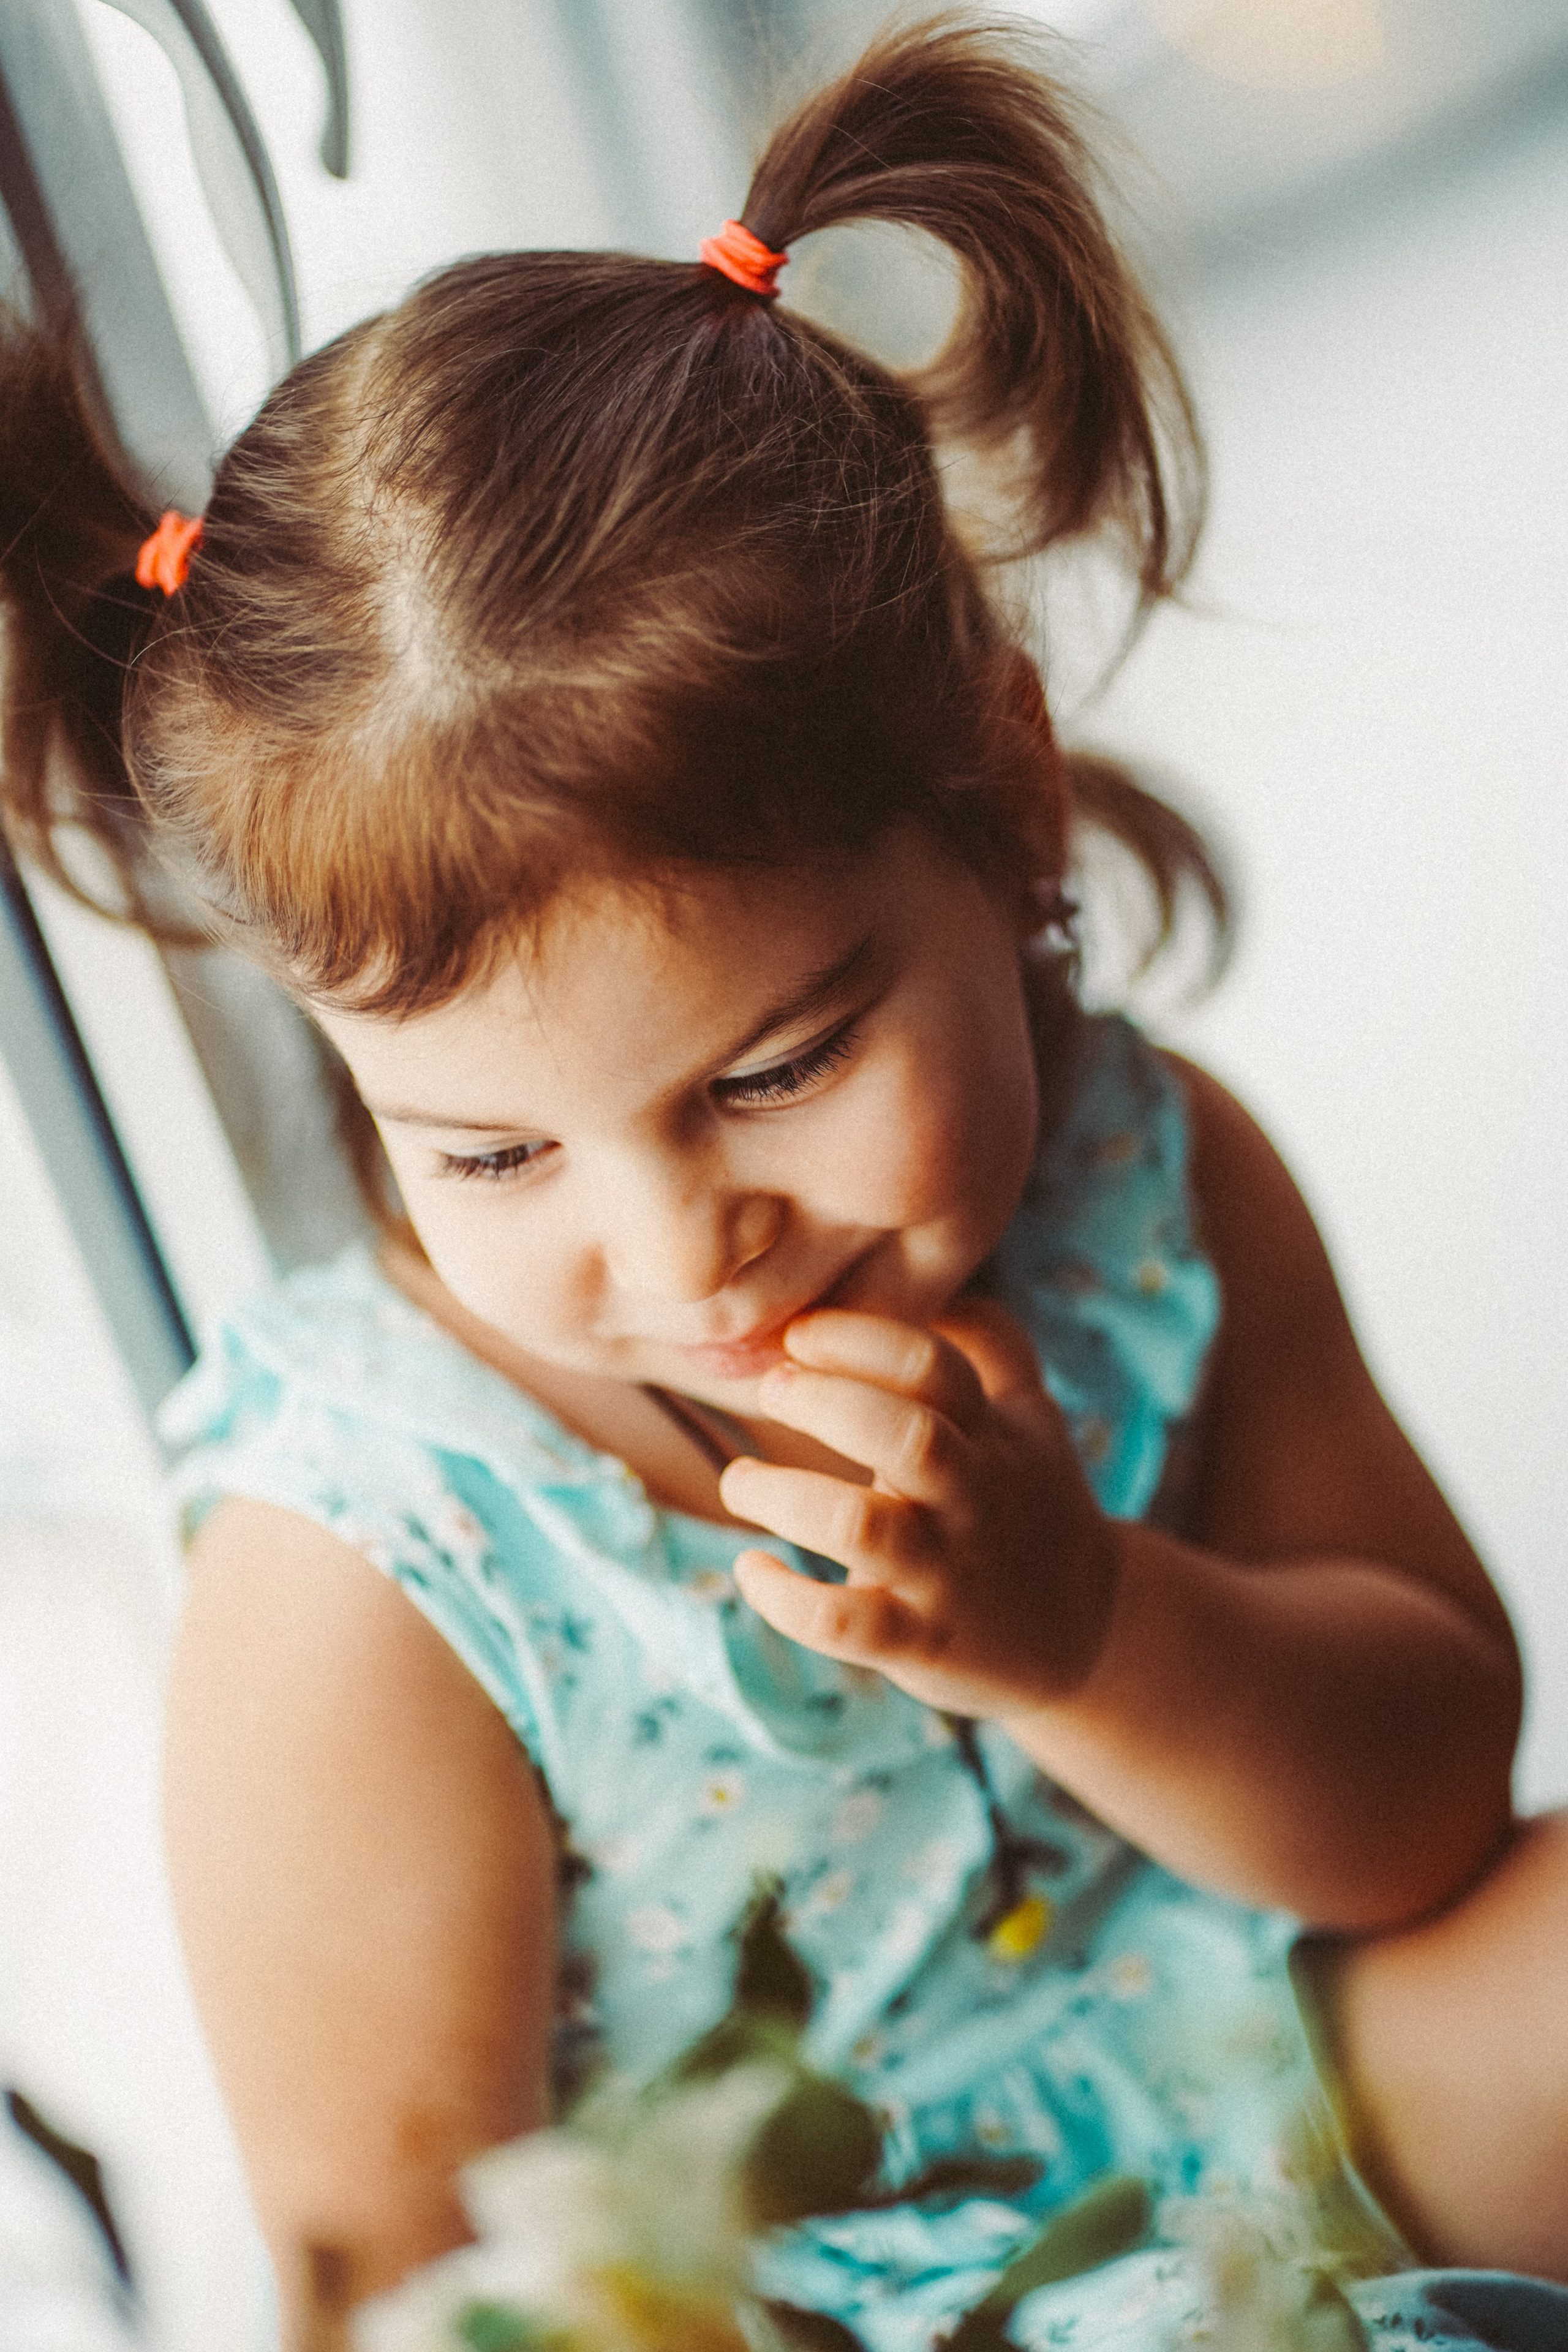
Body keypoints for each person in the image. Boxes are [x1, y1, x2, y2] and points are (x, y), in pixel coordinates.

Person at [1, 17, 1563, 2347]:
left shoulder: (1141, 1172)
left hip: (1303, 2087)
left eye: (783, 1063)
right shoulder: (379, 1566)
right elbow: (396, 2293)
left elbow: (1436, 1809)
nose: (672, 1245)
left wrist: (1093, 1633)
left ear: (1008, 800)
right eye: (500, 1149)